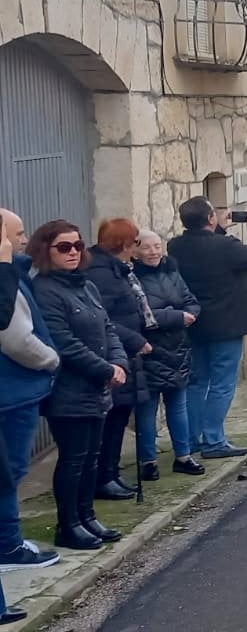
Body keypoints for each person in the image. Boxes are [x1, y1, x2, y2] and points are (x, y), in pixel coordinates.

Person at [28, 220, 127, 551]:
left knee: (92, 458)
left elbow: (108, 327)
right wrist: (104, 369)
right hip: (69, 388)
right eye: (64, 247)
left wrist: (119, 363)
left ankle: (87, 516)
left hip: (98, 387)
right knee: (73, 458)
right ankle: (68, 524)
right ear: (46, 250)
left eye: (77, 246)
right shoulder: (44, 290)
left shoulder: (85, 285)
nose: (73, 253)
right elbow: (64, 343)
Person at [168, 198, 247, 459]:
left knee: (196, 382)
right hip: (226, 324)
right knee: (223, 384)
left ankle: (191, 440)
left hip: (195, 323)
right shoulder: (225, 246)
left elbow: (207, 252)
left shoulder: (176, 246)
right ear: (210, 218)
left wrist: (220, 229)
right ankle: (213, 440)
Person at [0, 209, 60, 572]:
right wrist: (53, 360)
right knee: (10, 473)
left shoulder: (16, 273)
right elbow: (15, 337)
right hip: (12, 393)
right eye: (17, 233)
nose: (24, 240)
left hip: (14, 391)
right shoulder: (5, 280)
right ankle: (8, 547)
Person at [82, 218, 150, 502]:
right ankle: (103, 477)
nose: (136, 247)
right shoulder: (102, 273)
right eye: (134, 241)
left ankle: (111, 472)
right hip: (113, 355)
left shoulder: (116, 270)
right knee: (111, 419)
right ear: (123, 244)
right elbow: (104, 318)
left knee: (119, 418)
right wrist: (135, 340)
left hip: (125, 354)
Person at [130, 231, 205, 482]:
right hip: (149, 350)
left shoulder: (172, 272)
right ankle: (147, 461)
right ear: (135, 251)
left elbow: (190, 300)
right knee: (147, 409)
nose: (153, 252)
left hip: (178, 348)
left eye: (157, 246)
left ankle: (183, 456)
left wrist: (190, 313)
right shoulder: (132, 277)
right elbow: (142, 314)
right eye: (147, 247)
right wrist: (176, 316)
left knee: (178, 406)